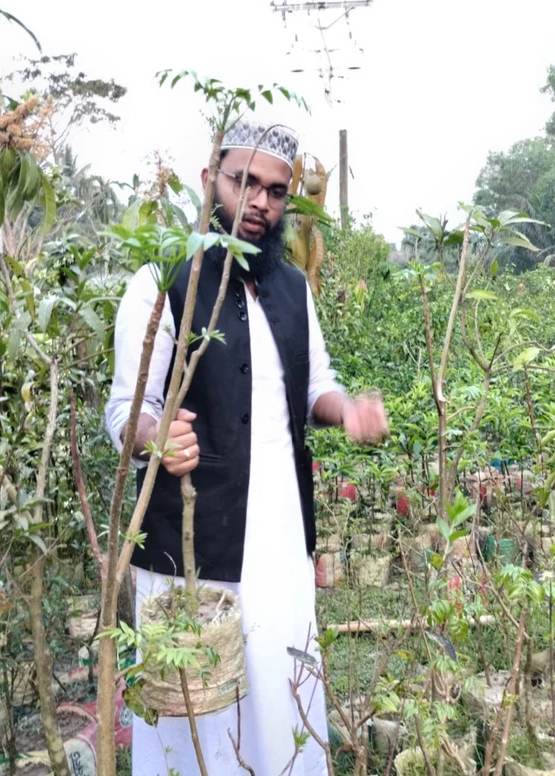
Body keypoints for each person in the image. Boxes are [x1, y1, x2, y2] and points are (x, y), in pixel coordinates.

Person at [104, 119, 389, 776]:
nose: (260, 202)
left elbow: (315, 386)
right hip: (191, 545)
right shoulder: (161, 282)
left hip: (282, 540)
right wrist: (155, 436)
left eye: (276, 191)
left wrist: (346, 410)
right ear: (211, 181)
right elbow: (126, 411)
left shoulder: (292, 288)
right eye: (245, 183)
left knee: (284, 700)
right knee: (195, 719)